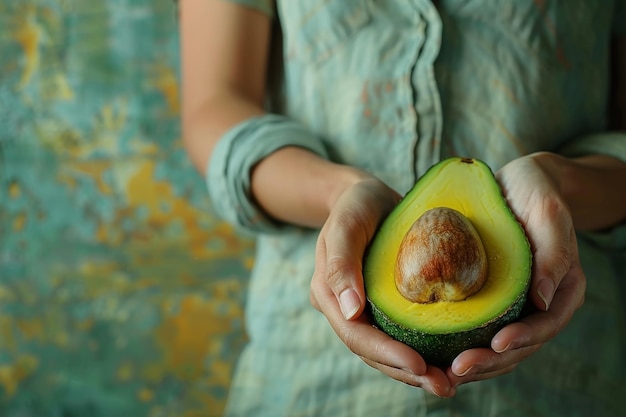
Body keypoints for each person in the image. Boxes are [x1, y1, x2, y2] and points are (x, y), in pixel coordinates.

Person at [178, 1, 626, 416]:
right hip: (310, 378)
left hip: (566, 380)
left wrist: (559, 186)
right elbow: (215, 108)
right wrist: (339, 194)